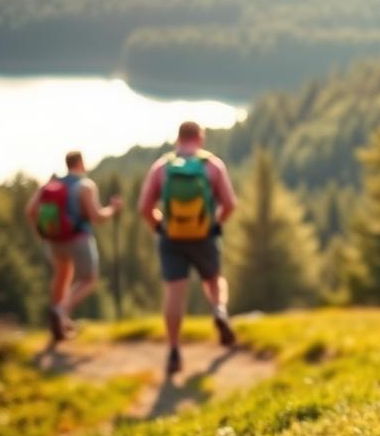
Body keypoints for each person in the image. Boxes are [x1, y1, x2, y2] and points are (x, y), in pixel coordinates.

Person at [137, 121, 238, 374]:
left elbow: (144, 207)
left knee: (174, 291)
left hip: (171, 236)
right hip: (204, 235)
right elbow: (230, 203)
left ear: (178, 138)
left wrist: (159, 226)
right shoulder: (212, 165)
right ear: (200, 138)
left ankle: (173, 349)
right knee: (214, 280)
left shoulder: (162, 167)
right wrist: (213, 223)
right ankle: (219, 311)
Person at [25, 151, 122, 342]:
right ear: (80, 163)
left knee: (61, 277)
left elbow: (30, 211)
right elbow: (96, 216)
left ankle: (58, 326)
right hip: (78, 238)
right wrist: (113, 209)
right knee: (88, 279)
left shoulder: (51, 184)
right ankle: (60, 311)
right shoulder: (85, 185)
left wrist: (41, 234)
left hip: (54, 240)